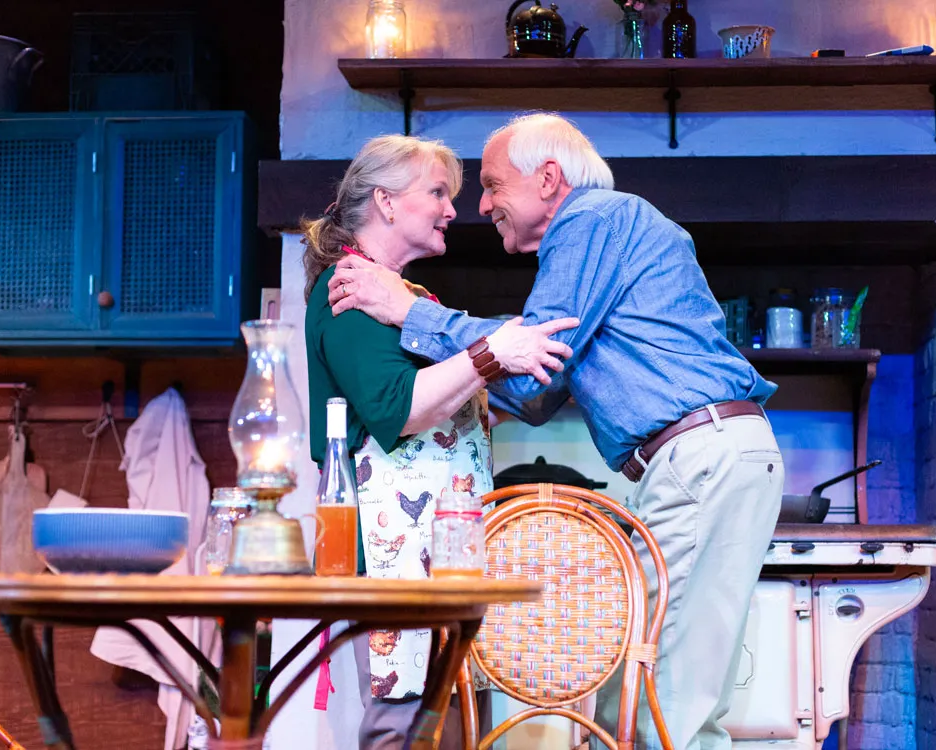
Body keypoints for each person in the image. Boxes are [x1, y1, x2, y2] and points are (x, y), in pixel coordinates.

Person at [325, 113, 785, 750]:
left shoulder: (590, 221)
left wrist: (410, 311)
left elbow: (533, 355)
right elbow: (533, 393)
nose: (478, 206)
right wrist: (473, 373)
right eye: (453, 192)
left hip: (700, 459)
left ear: (547, 179)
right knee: (652, 700)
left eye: (491, 185)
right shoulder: (604, 230)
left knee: (656, 705)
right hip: (704, 458)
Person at [301, 133, 577, 750]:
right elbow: (396, 408)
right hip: (394, 554)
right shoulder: (349, 289)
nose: (453, 209)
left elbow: (446, 408)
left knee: (452, 726)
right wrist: (491, 353)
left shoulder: (405, 296)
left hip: (444, 549)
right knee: (403, 729)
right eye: (437, 193)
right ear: (386, 201)